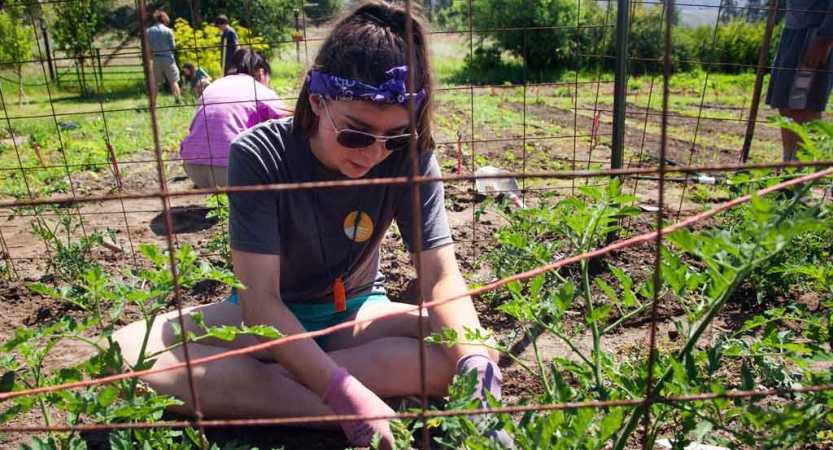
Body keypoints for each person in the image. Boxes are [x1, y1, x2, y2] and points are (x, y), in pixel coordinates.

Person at [113, 2, 509, 449]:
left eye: (394, 136)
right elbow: (259, 302)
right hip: (268, 320)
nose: (373, 153)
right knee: (121, 357)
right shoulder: (258, 154)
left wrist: (475, 366)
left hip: (358, 314)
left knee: (473, 349)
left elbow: (440, 275)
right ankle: (340, 402)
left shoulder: (411, 156)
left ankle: (272, 387)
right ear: (317, 100)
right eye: (356, 133)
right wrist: (344, 391)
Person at [178, 48, 288, 188]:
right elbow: (287, 124)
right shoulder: (259, 89)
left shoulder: (215, 85)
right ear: (261, 73)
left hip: (194, 167)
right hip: (234, 169)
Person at [766, 0, 833, 162]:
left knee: (804, 105)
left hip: (815, 32)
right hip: (792, 28)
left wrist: (826, 37)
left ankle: (801, 171)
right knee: (785, 103)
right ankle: (788, 165)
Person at [147, 10, 181, 103]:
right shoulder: (168, 31)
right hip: (168, 58)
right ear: (164, 19)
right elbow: (173, 46)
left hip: (156, 59)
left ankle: (153, 103)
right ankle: (178, 101)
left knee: (155, 83)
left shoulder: (149, 31)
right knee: (173, 81)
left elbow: (148, 46)